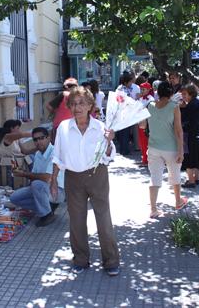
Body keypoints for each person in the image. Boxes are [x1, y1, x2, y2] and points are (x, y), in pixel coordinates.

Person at [51, 86, 120, 276]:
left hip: (97, 175)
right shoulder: (64, 128)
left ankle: (111, 260)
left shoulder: (100, 128)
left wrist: (109, 141)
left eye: (81, 103)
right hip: (73, 178)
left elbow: (108, 156)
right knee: (76, 220)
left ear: (90, 105)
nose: (77, 107)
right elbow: (58, 156)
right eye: (73, 104)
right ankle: (80, 259)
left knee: (103, 217)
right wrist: (53, 180)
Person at [145, 81, 187, 218]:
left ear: (158, 92)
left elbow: (141, 125)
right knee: (175, 174)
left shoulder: (149, 106)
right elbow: (179, 131)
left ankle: (153, 209)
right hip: (171, 148)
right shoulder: (174, 107)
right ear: (170, 93)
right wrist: (181, 150)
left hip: (153, 147)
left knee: (154, 177)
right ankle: (178, 201)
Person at [10, 127, 65, 227]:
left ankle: (47, 215)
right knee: (14, 198)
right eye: (35, 139)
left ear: (48, 138)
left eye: (41, 138)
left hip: (58, 191)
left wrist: (24, 174)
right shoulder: (38, 154)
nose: (38, 142)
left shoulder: (54, 153)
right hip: (43, 189)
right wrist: (21, 172)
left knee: (37, 184)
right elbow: (34, 176)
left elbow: (47, 178)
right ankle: (47, 207)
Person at [0, 119, 37, 188]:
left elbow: (25, 151)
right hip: (8, 163)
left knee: (32, 156)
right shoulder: (7, 136)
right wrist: (38, 135)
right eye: (17, 128)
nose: (19, 130)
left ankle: (34, 180)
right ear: (12, 128)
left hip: (17, 162)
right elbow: (22, 134)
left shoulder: (17, 139)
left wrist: (37, 148)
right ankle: (33, 180)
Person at [180, 84, 199, 188]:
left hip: (191, 134)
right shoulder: (198, 103)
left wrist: (181, 109)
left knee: (189, 158)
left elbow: (185, 121)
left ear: (191, 94)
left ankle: (191, 181)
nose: (183, 96)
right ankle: (196, 178)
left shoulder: (190, 105)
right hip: (198, 134)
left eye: (185, 94)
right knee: (196, 157)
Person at [46, 77, 78, 143]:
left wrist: (56, 112)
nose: (72, 87)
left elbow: (49, 106)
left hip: (61, 124)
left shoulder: (64, 95)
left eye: (73, 86)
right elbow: (48, 106)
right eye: (71, 86)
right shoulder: (69, 95)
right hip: (67, 125)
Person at [115, 73, 135, 155]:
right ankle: (124, 149)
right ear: (126, 82)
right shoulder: (121, 89)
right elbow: (121, 101)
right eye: (130, 82)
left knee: (125, 132)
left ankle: (124, 149)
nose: (131, 83)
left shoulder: (127, 88)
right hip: (123, 113)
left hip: (127, 112)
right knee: (124, 132)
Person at [137, 82, 155, 166]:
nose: (141, 91)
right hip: (141, 121)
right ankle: (144, 158)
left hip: (147, 123)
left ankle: (147, 160)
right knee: (141, 141)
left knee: (146, 141)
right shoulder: (141, 98)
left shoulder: (151, 99)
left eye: (143, 89)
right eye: (141, 89)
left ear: (148, 89)